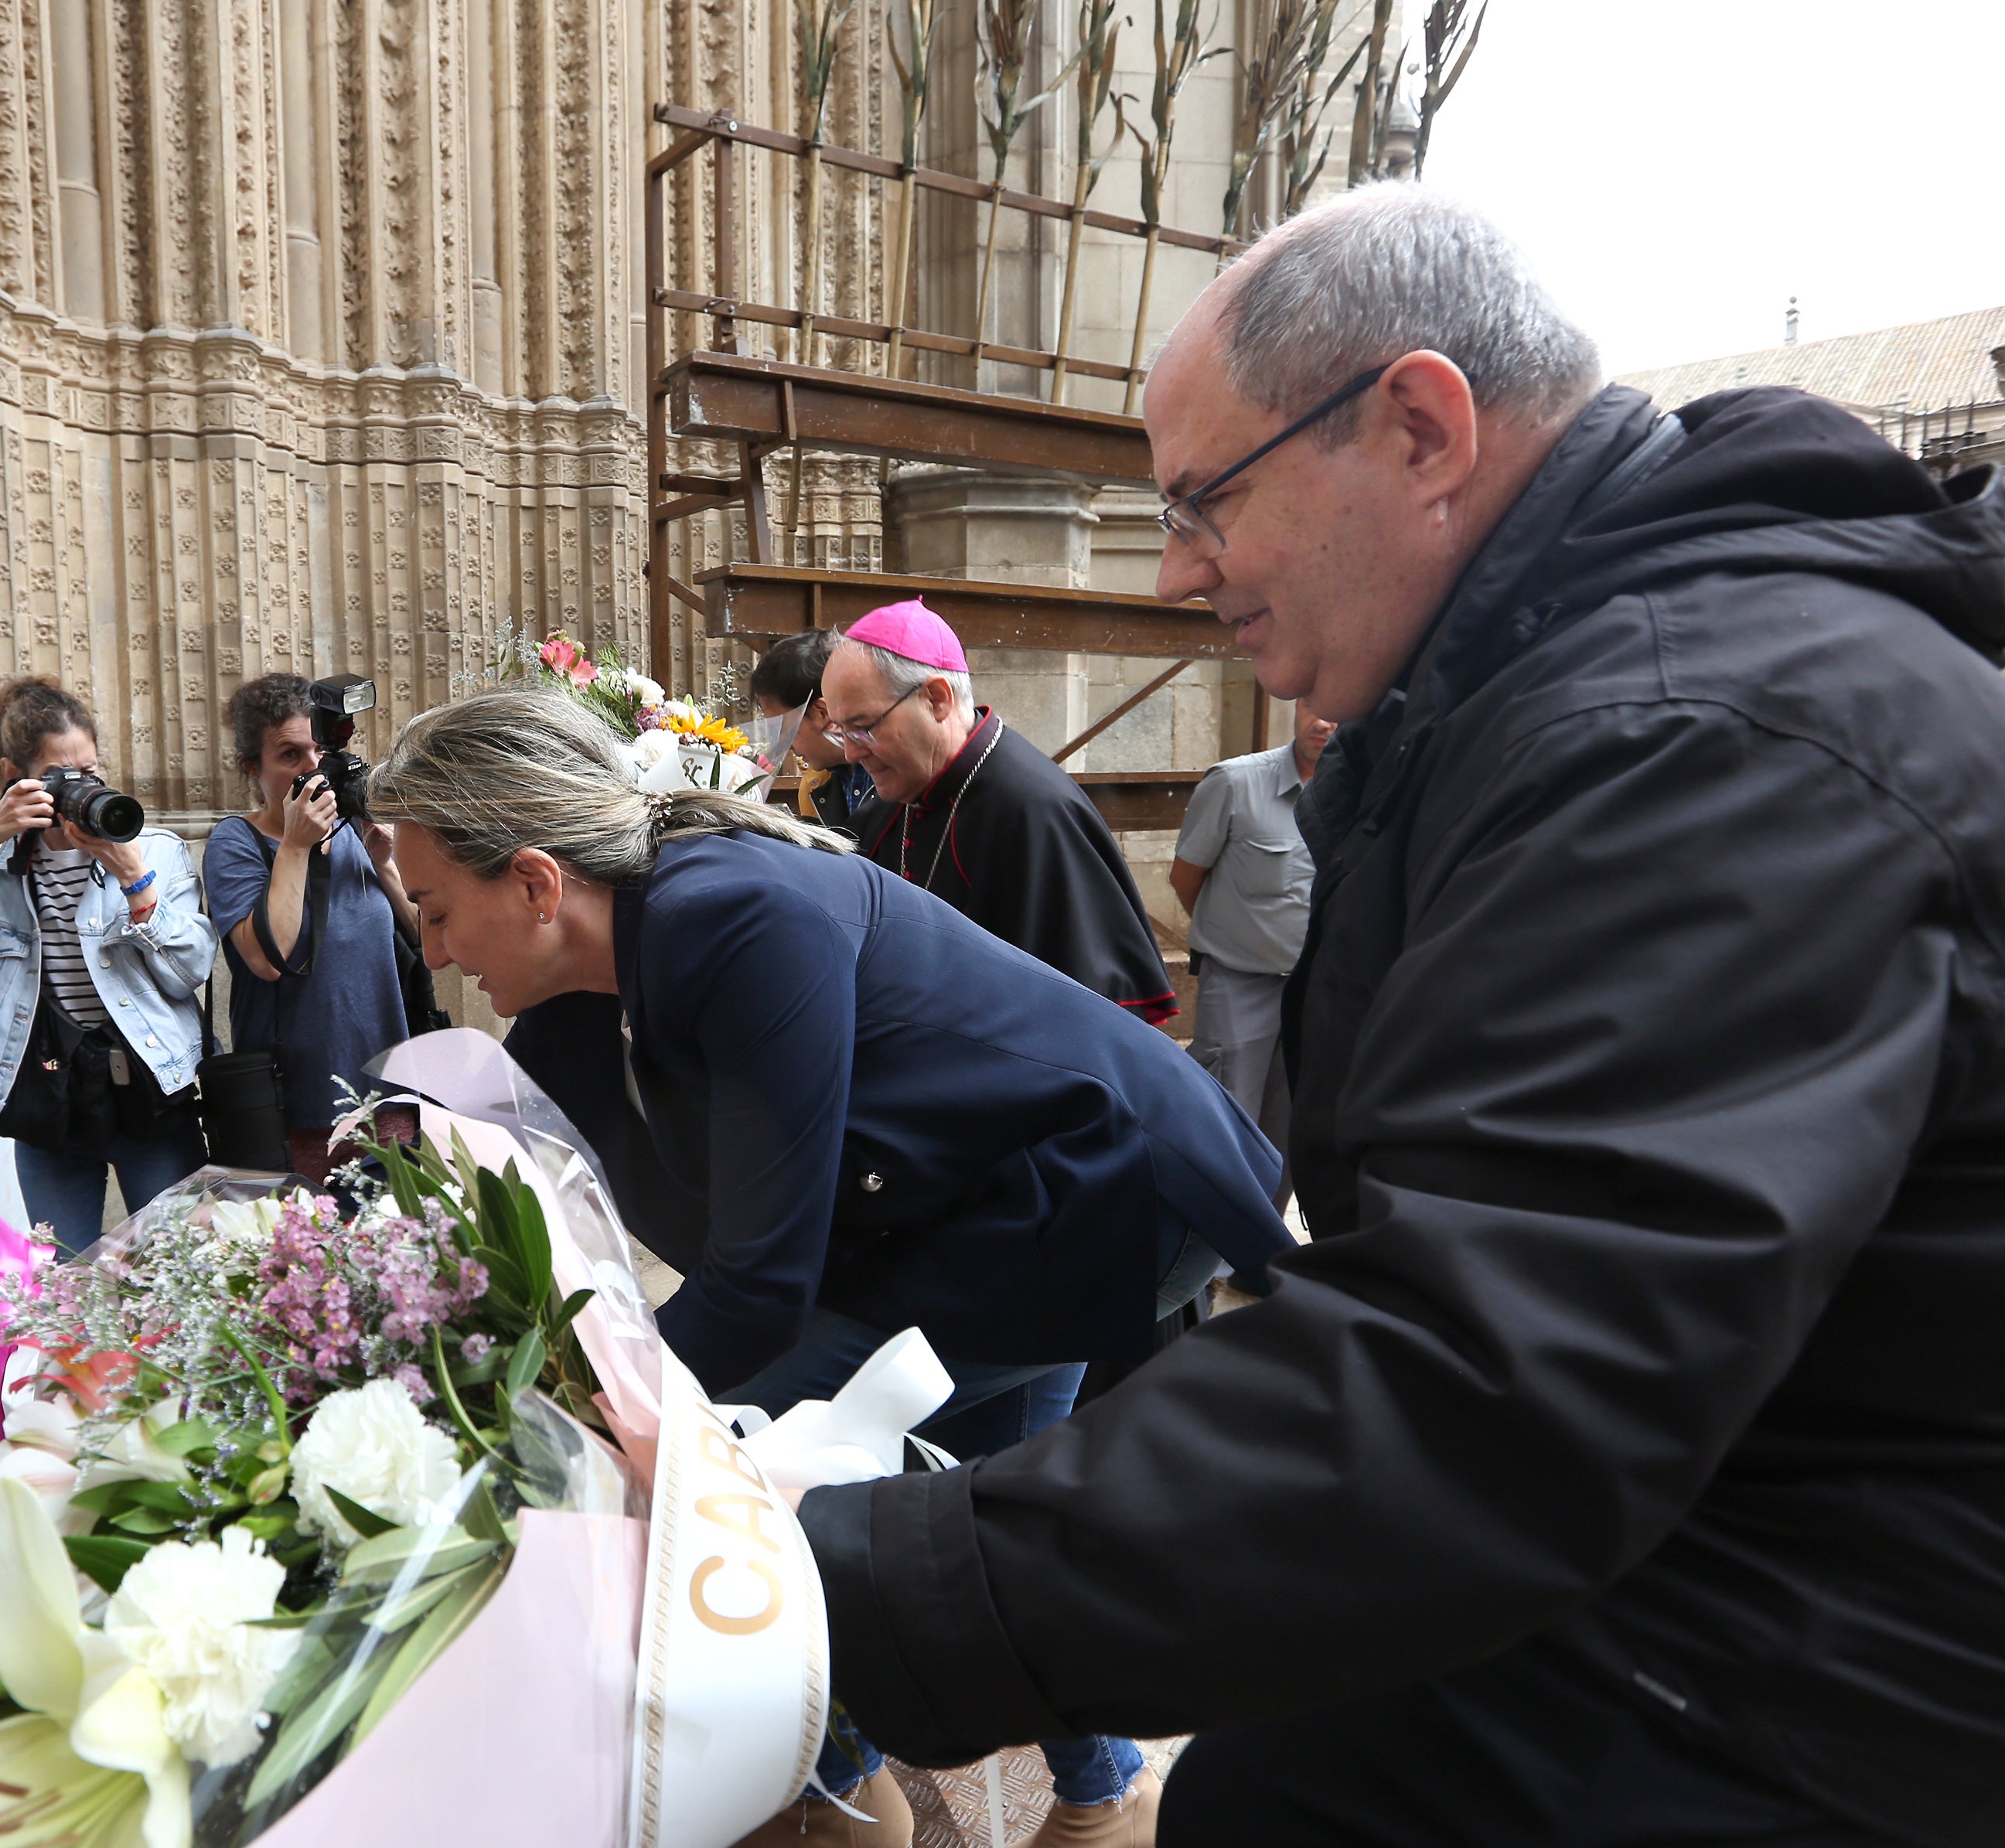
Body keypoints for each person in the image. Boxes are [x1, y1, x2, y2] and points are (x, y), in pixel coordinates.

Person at [792, 186, 2005, 1848]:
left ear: (1421, 427)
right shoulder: (1555, 689)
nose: (1173, 568)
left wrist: (837, 1589)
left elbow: (1486, 1382)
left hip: (1797, 1674)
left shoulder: (1704, 736)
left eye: (1206, 501)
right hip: (1694, 1581)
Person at [367, 687, 1293, 1848]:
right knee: (977, 1499)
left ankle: (827, 1790)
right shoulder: (573, 996)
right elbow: (576, 1217)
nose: (436, 950)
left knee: (771, 1486)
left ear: (539, 882)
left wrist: (571, 1415)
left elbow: (759, 1280)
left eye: (440, 911)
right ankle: (1096, 1787)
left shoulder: (730, 914)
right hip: (981, 1209)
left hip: (1105, 1192)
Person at [0, 679, 211, 1256]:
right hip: (52, 1100)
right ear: (16, 775)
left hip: (149, 1093)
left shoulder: (154, 851)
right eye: (62, 777)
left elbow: (190, 971)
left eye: (91, 771)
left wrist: (134, 879)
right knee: (66, 1288)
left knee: (178, 1275)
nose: (82, 790)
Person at [823, 602, 1178, 1025]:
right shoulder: (887, 808)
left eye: (864, 727)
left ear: (936, 699)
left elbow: (1093, 1017)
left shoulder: (1033, 811)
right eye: (841, 730)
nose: (850, 751)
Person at [204, 673, 419, 1178]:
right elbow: (268, 959)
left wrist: (386, 863)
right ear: (251, 768)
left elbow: (432, 943)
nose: (312, 769)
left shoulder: (357, 830)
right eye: (290, 756)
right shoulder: (235, 844)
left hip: (388, 1100)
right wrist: (297, 847)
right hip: (297, 1112)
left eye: (318, 750)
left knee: (393, 1249)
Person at [1165, 712, 1337, 1137]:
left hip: (1316, 989)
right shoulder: (1235, 783)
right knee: (1224, 1122)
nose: (1322, 721)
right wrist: (1235, 936)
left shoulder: (1363, 792)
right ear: (1294, 706)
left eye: (1335, 712)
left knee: (1293, 1127)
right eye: (1310, 706)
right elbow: (1187, 877)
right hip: (1239, 986)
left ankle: (1267, 1210)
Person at [749, 627, 875, 834]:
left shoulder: (893, 773)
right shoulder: (814, 786)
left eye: (784, 729)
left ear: (822, 713)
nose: (784, 745)